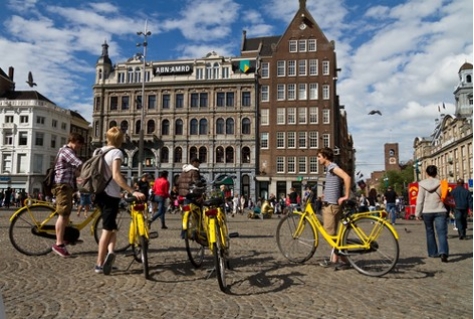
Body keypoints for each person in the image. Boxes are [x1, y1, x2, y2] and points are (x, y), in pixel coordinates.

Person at [94, 127, 145, 274]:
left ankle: (110, 252)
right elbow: (116, 175)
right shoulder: (116, 152)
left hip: (99, 193)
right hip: (110, 195)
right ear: (120, 139)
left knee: (112, 227)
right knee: (107, 229)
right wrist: (131, 191)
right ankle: (99, 263)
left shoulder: (98, 151)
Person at [316, 147, 351, 268]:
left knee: (329, 234)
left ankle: (343, 259)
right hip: (329, 203)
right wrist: (325, 194)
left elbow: (347, 177)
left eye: (319, 156)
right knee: (334, 234)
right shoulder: (329, 169)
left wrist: (345, 196)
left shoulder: (332, 167)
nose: (318, 159)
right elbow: (334, 184)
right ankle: (335, 259)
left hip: (331, 206)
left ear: (325, 157)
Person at [51, 132, 84, 258]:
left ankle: (65, 237)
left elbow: (74, 171)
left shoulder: (68, 152)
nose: (79, 148)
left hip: (67, 185)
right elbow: (78, 163)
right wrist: (91, 168)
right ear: (74, 141)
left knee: (66, 214)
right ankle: (59, 244)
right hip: (62, 186)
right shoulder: (67, 151)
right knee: (63, 214)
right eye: (79, 145)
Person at [415, 165, 449, 263]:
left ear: (426, 173)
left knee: (430, 232)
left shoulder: (422, 184)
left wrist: (417, 213)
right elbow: (445, 196)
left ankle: (433, 252)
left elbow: (420, 200)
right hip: (440, 210)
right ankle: (443, 252)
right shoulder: (441, 183)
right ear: (436, 173)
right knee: (442, 233)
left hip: (427, 211)